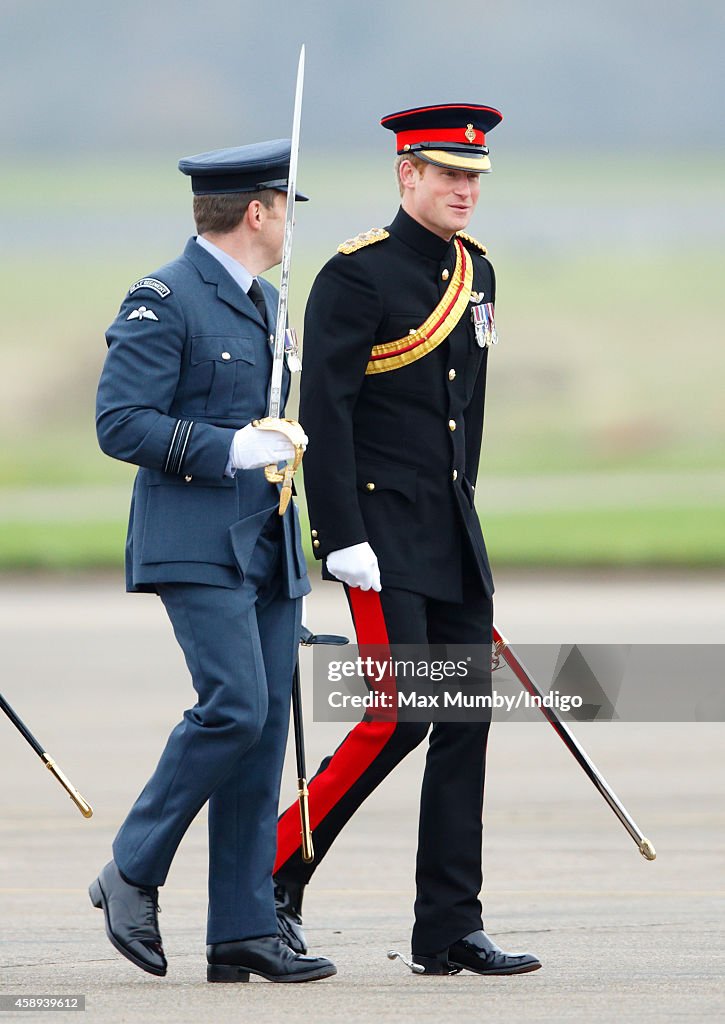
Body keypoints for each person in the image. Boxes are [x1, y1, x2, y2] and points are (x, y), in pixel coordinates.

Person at [273, 105, 541, 976]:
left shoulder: (479, 273)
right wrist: (338, 532)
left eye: (473, 177)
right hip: (377, 537)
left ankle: (448, 928)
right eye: (447, 175)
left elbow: (465, 414)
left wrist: (464, 522)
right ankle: (269, 872)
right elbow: (326, 411)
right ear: (406, 176)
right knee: (395, 715)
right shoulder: (357, 277)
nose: (464, 190)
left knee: (463, 720)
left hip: (449, 532)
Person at [91, 140, 336, 985]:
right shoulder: (165, 298)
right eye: (285, 208)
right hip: (193, 539)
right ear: (256, 212)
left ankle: (241, 928)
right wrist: (231, 445)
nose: (289, 226)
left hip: (264, 538)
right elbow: (121, 423)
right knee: (233, 706)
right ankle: (130, 866)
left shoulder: (266, 300)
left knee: (263, 728)